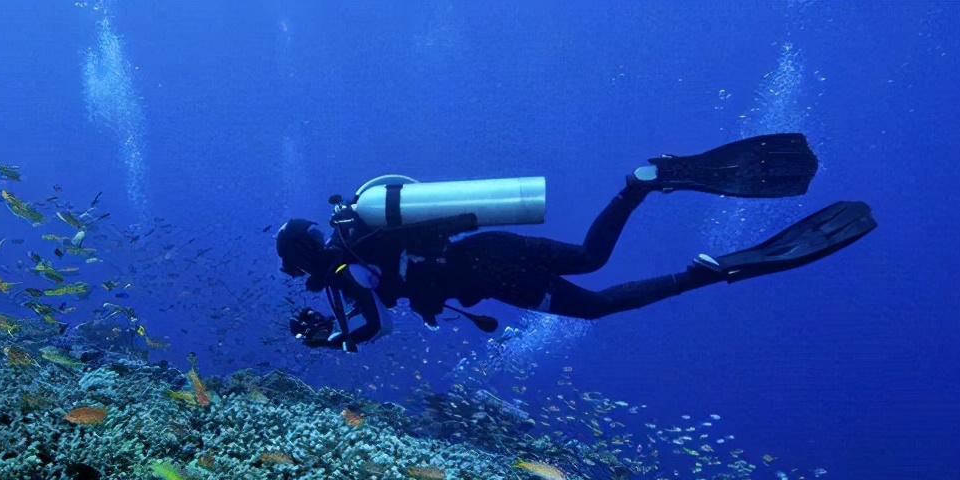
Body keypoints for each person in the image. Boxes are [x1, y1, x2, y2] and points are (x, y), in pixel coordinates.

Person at [275, 133, 876, 352]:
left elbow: (376, 326)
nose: (303, 278)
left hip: (494, 278)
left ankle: (704, 273)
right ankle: (637, 187)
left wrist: (331, 338)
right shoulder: (363, 234)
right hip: (495, 249)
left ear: (304, 259)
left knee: (596, 307)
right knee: (592, 258)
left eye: (296, 268)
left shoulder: (349, 266)